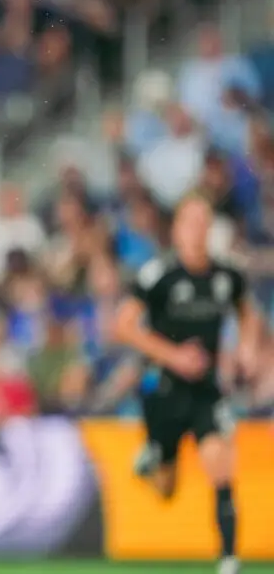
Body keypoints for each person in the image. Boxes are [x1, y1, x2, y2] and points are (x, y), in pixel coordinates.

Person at [114, 194, 263, 574]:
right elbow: (123, 326)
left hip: (206, 390)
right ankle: (152, 458)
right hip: (165, 390)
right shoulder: (159, 274)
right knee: (167, 490)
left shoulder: (226, 276)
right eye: (190, 222)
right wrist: (174, 356)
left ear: (210, 228)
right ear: (177, 230)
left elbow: (249, 314)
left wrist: (246, 348)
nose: (197, 230)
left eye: (203, 222)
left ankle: (229, 558)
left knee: (220, 467)